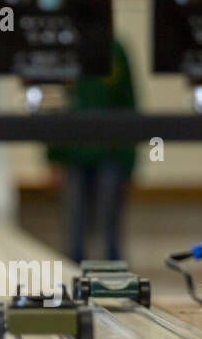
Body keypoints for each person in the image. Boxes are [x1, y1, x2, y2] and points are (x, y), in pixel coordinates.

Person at [46, 39, 138, 263]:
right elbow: (55, 105)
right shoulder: (66, 48)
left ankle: (116, 286)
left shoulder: (116, 51)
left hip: (110, 155)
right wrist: (53, 156)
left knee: (110, 232)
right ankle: (73, 285)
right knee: (74, 233)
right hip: (72, 156)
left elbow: (129, 106)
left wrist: (129, 162)